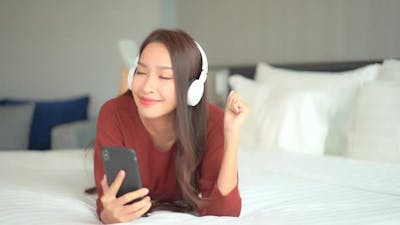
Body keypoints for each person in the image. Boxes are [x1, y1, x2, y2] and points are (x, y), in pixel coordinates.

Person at [93, 28, 250, 224]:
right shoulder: (113, 113)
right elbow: (108, 203)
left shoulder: (215, 122)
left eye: (164, 77)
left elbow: (223, 213)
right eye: (141, 72)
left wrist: (232, 135)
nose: (147, 87)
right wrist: (108, 215)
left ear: (192, 89)